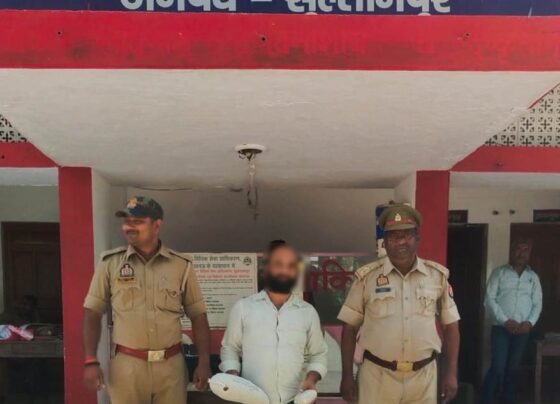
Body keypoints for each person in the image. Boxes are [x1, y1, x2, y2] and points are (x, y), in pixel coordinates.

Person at [82, 196, 211, 403]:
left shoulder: (181, 265)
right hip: (127, 367)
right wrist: (90, 360)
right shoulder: (110, 263)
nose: (129, 227)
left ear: (157, 225)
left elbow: (198, 315)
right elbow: (93, 311)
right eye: (126, 221)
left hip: (171, 367)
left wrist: (204, 362)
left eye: (137, 221)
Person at [338, 204, 460, 404]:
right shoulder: (367, 278)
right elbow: (349, 328)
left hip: (423, 379)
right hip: (377, 378)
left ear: (417, 239)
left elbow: (451, 326)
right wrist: (347, 376)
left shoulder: (437, 277)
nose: (401, 241)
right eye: (394, 236)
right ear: (385, 242)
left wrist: (452, 372)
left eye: (407, 235)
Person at [220, 241, 328, 404]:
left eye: (290, 266)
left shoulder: (307, 312)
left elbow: (319, 354)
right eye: (278, 264)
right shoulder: (243, 307)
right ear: (266, 268)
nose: (284, 270)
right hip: (252, 399)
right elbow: (230, 348)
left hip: (293, 399)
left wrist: (311, 379)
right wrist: (233, 377)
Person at [481, 237, 542, 404]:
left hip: (522, 330)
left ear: (529, 253)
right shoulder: (499, 273)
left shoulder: (533, 278)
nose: (521, 253)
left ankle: (508, 400)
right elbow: (489, 299)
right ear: (512, 251)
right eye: (518, 249)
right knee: (498, 366)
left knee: (513, 369)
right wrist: (505, 321)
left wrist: (529, 323)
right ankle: (486, 400)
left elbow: (537, 304)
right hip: (501, 328)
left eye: (525, 250)